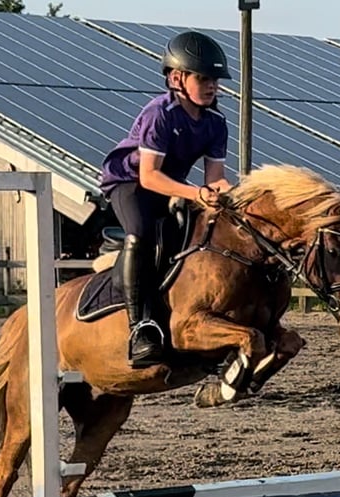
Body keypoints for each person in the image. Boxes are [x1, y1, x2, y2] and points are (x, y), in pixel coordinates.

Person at [99, 30, 233, 368]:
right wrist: (197, 194)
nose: (211, 86)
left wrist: (231, 195)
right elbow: (149, 176)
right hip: (130, 183)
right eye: (202, 78)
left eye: (214, 79)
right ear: (177, 77)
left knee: (198, 237)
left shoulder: (216, 122)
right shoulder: (159, 113)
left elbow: (215, 179)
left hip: (172, 185)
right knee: (141, 233)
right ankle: (139, 327)